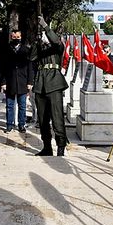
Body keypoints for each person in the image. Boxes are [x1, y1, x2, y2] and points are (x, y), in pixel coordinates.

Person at [31, 16, 68, 156]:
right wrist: (37, 41)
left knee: (57, 117)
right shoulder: (41, 49)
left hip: (54, 83)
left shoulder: (57, 47)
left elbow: (56, 41)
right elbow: (31, 57)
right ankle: (47, 147)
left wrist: (46, 27)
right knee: (43, 119)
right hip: (41, 84)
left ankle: (61, 146)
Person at [0, 30, 33, 133]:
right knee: (9, 105)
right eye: (14, 37)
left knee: (22, 105)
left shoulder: (26, 50)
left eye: (18, 37)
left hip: (23, 81)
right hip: (10, 82)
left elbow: (30, 67)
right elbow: (2, 67)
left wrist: (30, 82)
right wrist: (3, 82)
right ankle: (9, 125)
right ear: (11, 37)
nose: (16, 39)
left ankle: (21, 125)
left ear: (21, 37)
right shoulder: (5, 50)